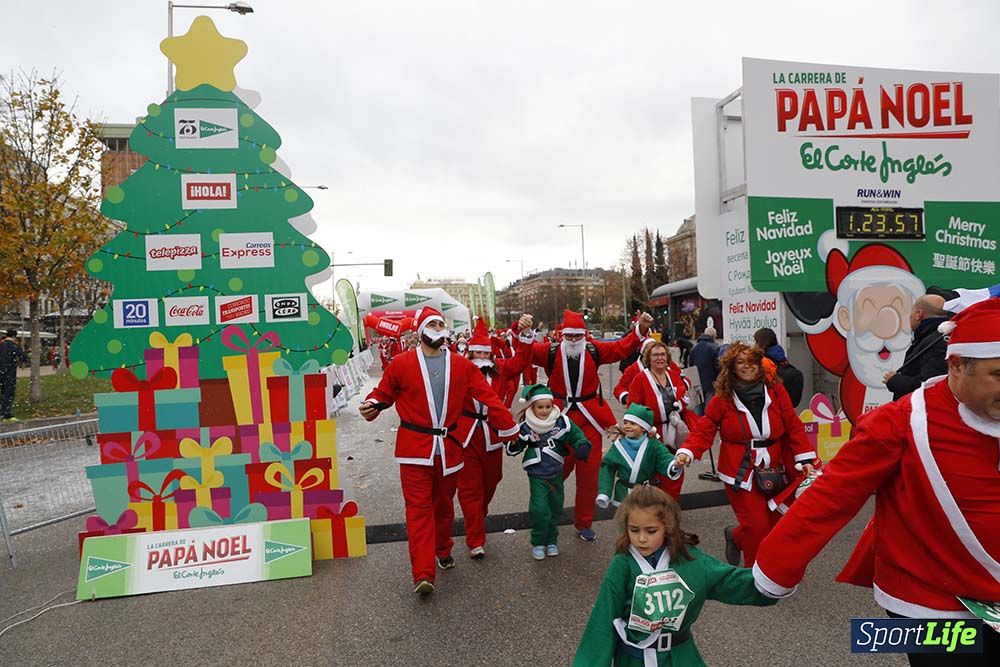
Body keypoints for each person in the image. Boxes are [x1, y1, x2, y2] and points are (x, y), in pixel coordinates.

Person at [753, 297, 1000, 666]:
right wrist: (776, 566)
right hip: (930, 605)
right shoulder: (899, 423)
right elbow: (832, 495)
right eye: (999, 375)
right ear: (957, 365)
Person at [360, 307, 519, 595]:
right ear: (420, 330)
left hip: (449, 449)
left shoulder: (462, 365)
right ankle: (423, 573)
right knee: (418, 510)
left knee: (443, 507)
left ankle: (443, 549)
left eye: (439, 323)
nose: (436, 327)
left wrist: (510, 430)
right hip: (413, 450)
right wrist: (373, 402)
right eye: (431, 323)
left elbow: (490, 399)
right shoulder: (401, 363)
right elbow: (384, 392)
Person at [574, 485, 781, 666]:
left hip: (680, 656)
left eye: (651, 530)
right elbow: (603, 618)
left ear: (667, 527)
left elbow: (729, 580)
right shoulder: (623, 564)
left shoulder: (690, 560)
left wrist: (775, 581)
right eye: (634, 530)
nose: (641, 538)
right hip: (634, 659)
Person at [673, 342, 816, 566]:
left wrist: (805, 458)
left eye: (751, 362)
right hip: (741, 471)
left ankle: (735, 536)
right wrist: (687, 452)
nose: (747, 366)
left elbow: (792, 424)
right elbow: (706, 427)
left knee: (778, 520)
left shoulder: (776, 390)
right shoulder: (723, 397)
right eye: (741, 362)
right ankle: (754, 575)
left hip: (775, 467)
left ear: (759, 365)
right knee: (757, 527)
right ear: (731, 367)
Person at [518, 309, 654, 541]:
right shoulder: (550, 351)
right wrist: (524, 331)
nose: (573, 341)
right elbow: (525, 354)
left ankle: (584, 522)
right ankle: (547, 516)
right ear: (562, 335)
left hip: (589, 418)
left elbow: (622, 347)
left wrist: (640, 328)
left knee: (589, 475)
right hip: (558, 420)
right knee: (554, 471)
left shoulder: (594, 349)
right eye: (569, 336)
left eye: (577, 336)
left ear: (584, 335)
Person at [453, 317, 531, 559]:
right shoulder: (459, 369)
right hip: (466, 435)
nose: (479, 356)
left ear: (489, 353)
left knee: (492, 480)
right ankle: (475, 539)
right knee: (469, 489)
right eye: (475, 351)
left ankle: (479, 512)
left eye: (483, 352)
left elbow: (521, 362)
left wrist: (524, 336)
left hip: (493, 433)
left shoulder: (502, 369)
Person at [506, 384, 591, 560]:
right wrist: (514, 444)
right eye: (540, 407)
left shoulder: (562, 422)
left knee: (555, 508)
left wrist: (582, 445)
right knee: (539, 509)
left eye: (548, 406)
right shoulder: (526, 426)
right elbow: (516, 445)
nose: (544, 411)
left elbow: (576, 435)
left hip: (556, 471)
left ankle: (551, 540)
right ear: (532, 407)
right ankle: (538, 542)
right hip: (537, 473)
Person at [626, 341, 699, 500]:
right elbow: (632, 409)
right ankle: (655, 511)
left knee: (675, 471)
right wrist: (644, 429)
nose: (659, 358)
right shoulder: (640, 379)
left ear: (667, 357)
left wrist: (683, 402)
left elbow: (684, 395)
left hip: (675, 432)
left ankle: (671, 510)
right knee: (654, 475)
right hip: (652, 434)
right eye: (655, 355)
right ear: (648, 358)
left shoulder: (673, 375)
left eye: (662, 354)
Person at [595, 404, 681, 509]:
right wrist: (604, 492)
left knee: (646, 520)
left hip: (646, 492)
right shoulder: (618, 446)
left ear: (643, 428)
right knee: (625, 523)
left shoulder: (654, 445)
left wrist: (674, 464)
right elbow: (607, 467)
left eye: (632, 423)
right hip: (623, 493)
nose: (627, 426)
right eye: (625, 423)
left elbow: (664, 458)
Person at [883, 293, 950, 401]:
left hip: (922, 413)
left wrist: (895, 380)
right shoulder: (933, 337)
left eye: (911, 314)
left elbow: (930, 386)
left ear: (918, 314)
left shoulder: (936, 343)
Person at [753, 327, 804, 407]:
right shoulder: (790, 369)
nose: (754, 346)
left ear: (761, 344)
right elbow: (794, 403)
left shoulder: (759, 366)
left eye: (756, 342)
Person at [613, 337, 657, 406]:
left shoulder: (666, 365)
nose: (653, 354)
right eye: (649, 351)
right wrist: (627, 397)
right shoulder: (633, 370)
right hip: (641, 409)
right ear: (643, 352)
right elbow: (620, 388)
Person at [688, 322, 719, 415]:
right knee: (709, 410)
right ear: (713, 336)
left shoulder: (694, 348)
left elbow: (690, 365)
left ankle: (698, 426)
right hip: (711, 383)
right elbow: (717, 366)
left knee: (698, 409)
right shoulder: (714, 348)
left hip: (696, 383)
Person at [0, 330, 26, 421]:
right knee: (8, 392)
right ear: (14, 336)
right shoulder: (14, 346)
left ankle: (1, 411)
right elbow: (23, 357)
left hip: (1, 372)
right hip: (9, 373)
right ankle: (6, 413)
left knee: (2, 391)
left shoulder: (1, 345)